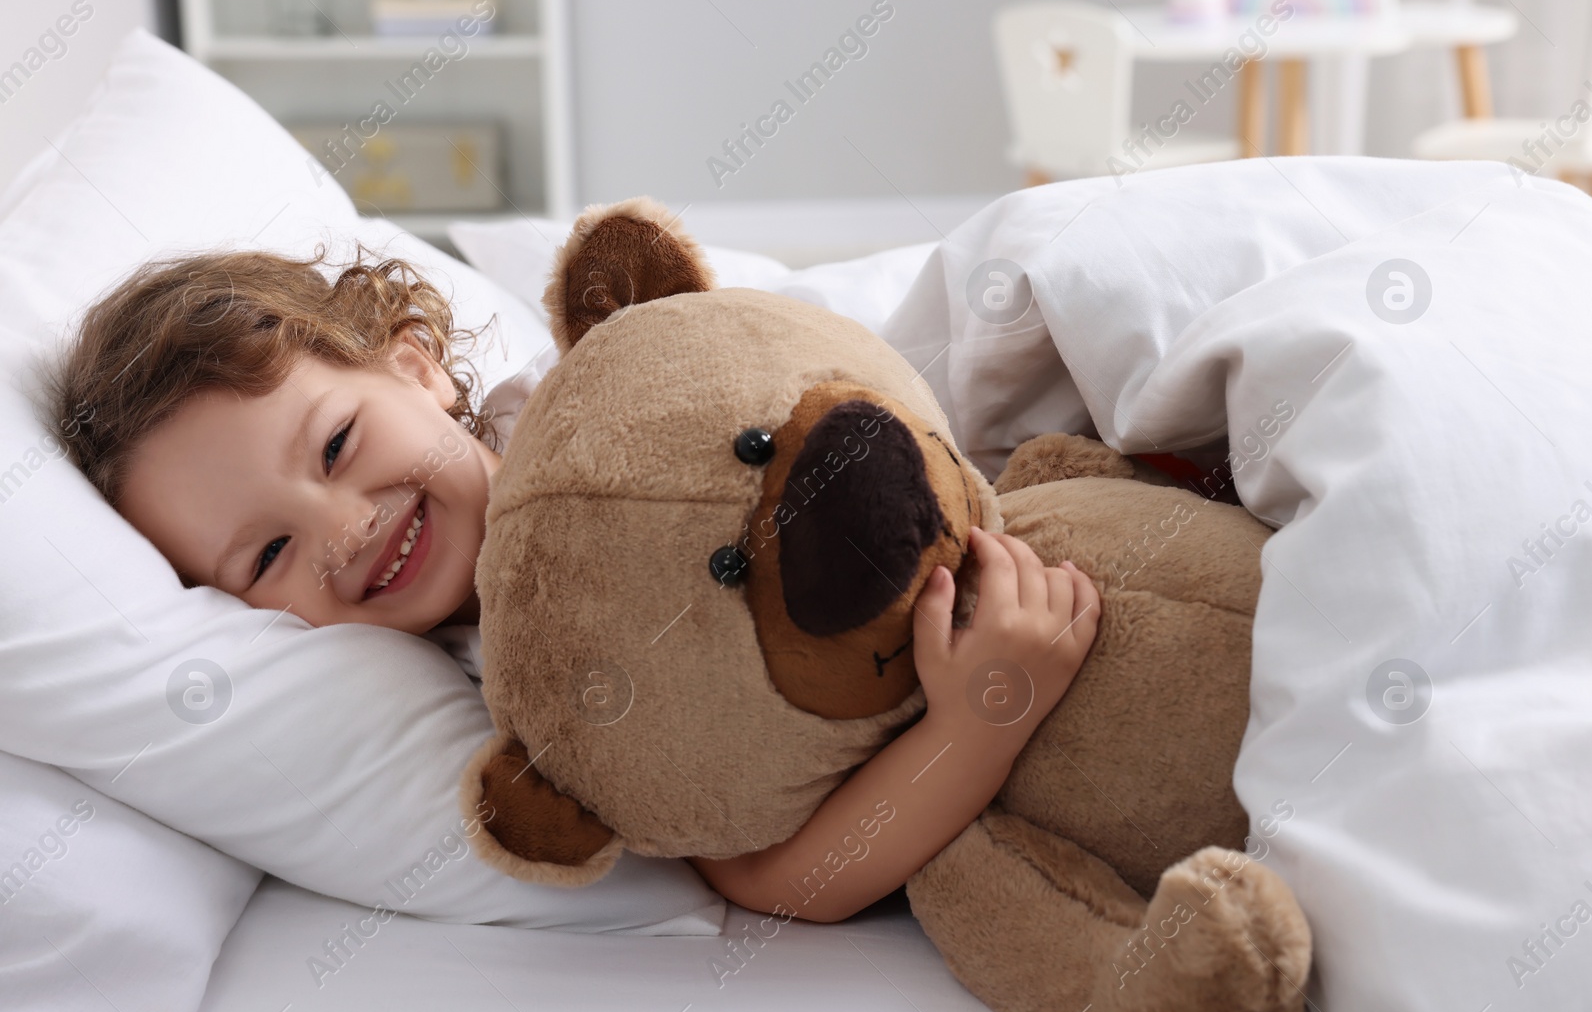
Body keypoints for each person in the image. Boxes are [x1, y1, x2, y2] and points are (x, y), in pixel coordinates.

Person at [52, 249, 1100, 922]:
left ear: (418, 370)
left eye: (335, 443)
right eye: (267, 556)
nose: (347, 527)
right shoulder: (515, 695)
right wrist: (979, 720)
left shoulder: (582, 392)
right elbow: (768, 876)